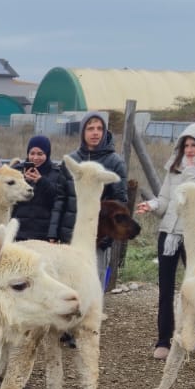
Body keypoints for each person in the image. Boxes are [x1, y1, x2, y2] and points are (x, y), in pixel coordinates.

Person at [137, 123, 195, 357]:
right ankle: (163, 341)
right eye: (185, 145)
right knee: (165, 289)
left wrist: (191, 174)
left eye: (194, 145)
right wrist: (153, 205)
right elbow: (165, 200)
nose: (188, 150)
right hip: (169, 234)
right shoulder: (174, 170)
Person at [58, 111, 130, 284]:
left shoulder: (114, 162)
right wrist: (56, 232)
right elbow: (61, 197)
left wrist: (107, 234)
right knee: (68, 282)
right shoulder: (72, 161)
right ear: (83, 132)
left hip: (98, 236)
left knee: (93, 282)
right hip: (71, 233)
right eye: (90, 128)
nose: (95, 132)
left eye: (99, 128)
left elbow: (120, 202)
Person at [10, 134, 69, 242]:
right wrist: (23, 181)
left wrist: (41, 182)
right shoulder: (16, 171)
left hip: (43, 234)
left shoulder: (57, 173)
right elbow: (8, 199)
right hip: (19, 232)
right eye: (32, 153)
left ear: (47, 154)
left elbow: (58, 201)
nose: (35, 158)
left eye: (40, 154)